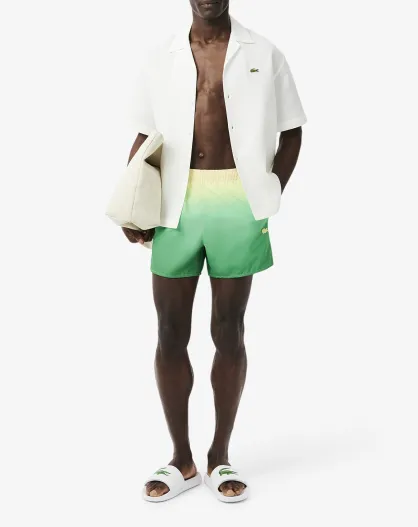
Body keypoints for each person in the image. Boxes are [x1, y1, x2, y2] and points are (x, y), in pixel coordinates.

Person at [123, 0, 307, 502]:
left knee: (229, 329)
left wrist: (269, 191)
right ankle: (181, 459)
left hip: (236, 201)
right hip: (175, 203)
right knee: (168, 331)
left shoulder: (263, 52)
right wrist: (133, 204)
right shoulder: (160, 56)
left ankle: (219, 455)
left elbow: (292, 130)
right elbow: (144, 134)